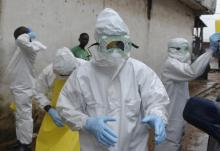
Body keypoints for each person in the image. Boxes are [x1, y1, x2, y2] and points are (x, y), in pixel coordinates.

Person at [56, 8, 169, 151]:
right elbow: (65, 107)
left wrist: (157, 115)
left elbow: (156, 99)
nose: (115, 50)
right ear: (99, 42)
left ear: (127, 42)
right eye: (110, 44)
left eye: (120, 44)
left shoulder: (140, 71)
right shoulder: (82, 75)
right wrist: (86, 122)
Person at [155, 34, 220, 151]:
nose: (185, 52)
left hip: (178, 114)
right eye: (181, 49)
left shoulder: (180, 65)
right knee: (168, 144)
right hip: (171, 116)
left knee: (176, 143)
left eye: (186, 49)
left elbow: (194, 68)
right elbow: (192, 72)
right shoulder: (171, 64)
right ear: (171, 49)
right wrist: (210, 50)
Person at [34, 47, 85, 151]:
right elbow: (38, 91)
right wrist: (49, 109)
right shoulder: (48, 72)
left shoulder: (85, 67)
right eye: (62, 76)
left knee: (72, 144)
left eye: (67, 75)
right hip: (56, 114)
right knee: (47, 143)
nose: (65, 78)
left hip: (78, 114)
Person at [6, 26, 47, 151]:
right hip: (18, 88)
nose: (16, 40)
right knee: (19, 116)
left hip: (24, 88)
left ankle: (26, 144)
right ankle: (20, 141)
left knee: (24, 117)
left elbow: (21, 40)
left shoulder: (30, 48)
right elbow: (19, 41)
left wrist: (28, 35)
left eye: (18, 36)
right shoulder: (22, 48)